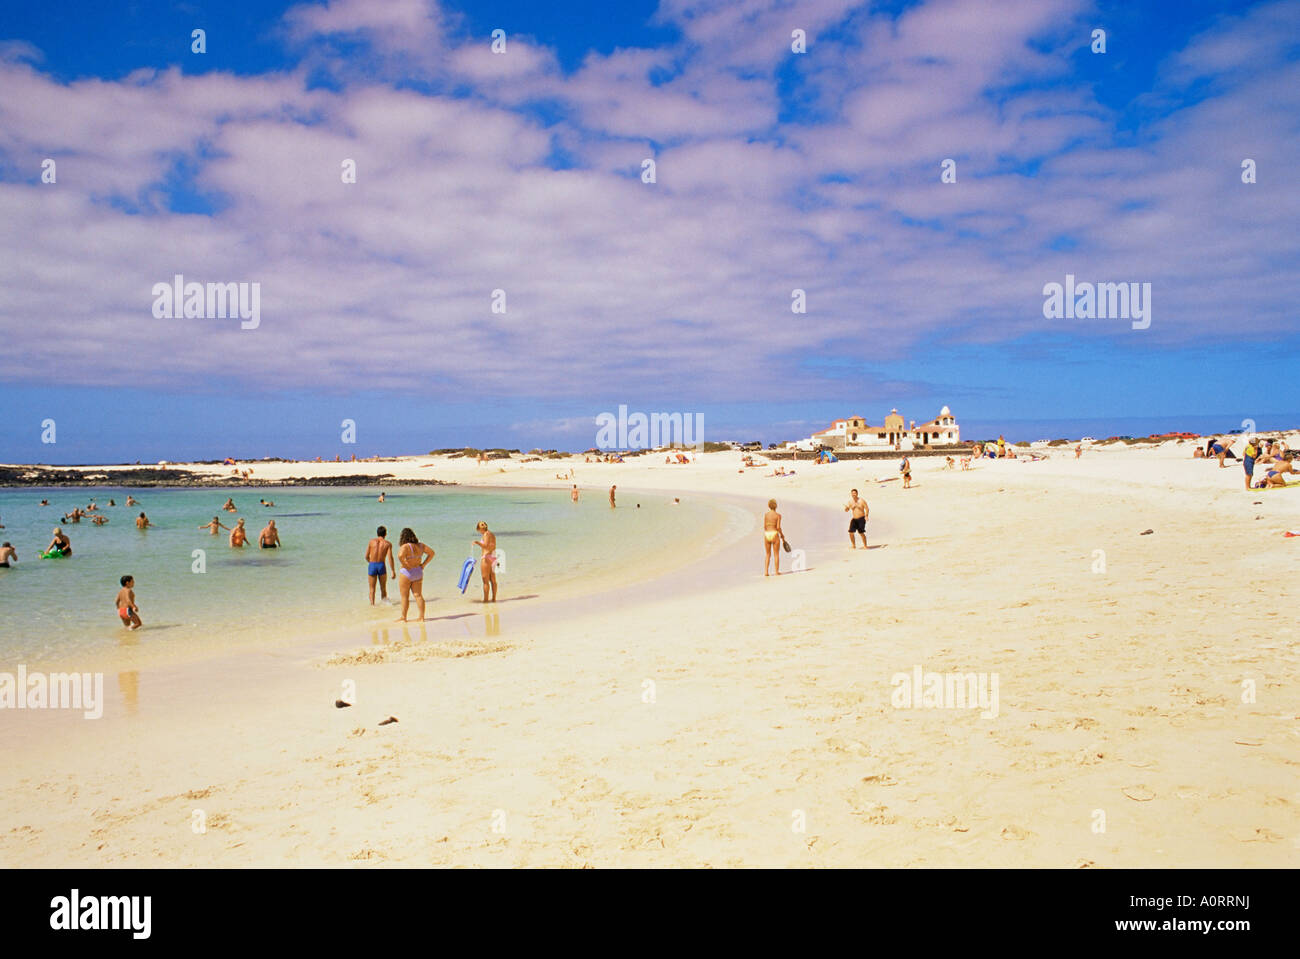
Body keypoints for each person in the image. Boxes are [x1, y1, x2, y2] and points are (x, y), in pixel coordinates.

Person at [395, 528, 435, 622]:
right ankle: (421, 617)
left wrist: (406, 565)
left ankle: (403, 617)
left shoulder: (405, 546)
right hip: (418, 571)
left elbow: (400, 556)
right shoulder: (421, 545)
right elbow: (432, 553)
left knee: (405, 596)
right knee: (418, 595)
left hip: (407, 572)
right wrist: (423, 565)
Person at [365, 525, 395, 605]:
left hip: (372, 565)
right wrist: (393, 571)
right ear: (385, 534)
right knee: (383, 588)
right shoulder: (388, 544)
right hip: (381, 565)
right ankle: (385, 605)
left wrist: (371, 563)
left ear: (377, 533)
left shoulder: (371, 542)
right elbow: (390, 558)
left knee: (372, 589)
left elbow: (366, 556)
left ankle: (372, 606)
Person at [474, 521, 498, 603]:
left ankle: (486, 600)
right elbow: (493, 546)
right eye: (481, 524)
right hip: (492, 557)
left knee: (485, 581)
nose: (483, 525)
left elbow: (486, 546)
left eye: (483, 524)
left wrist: (477, 542)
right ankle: (494, 599)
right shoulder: (492, 534)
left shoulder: (486, 534)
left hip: (486, 557)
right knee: (493, 580)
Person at [763, 499, 783, 576]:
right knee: (776, 554)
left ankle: (766, 572)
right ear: (776, 506)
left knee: (768, 554)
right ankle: (776, 572)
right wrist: (782, 535)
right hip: (774, 534)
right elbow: (778, 527)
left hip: (767, 534)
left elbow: (764, 526)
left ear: (769, 506)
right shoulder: (778, 515)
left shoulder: (766, 515)